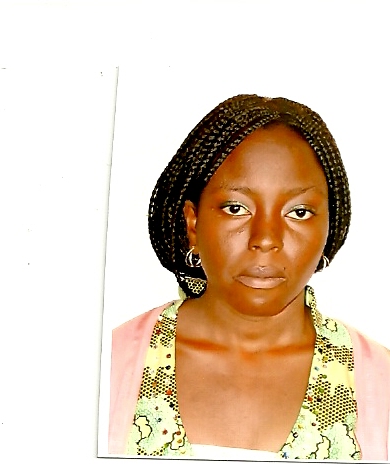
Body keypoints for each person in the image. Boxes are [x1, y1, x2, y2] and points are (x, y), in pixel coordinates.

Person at [108, 94, 390, 460]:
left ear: (328, 228)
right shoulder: (111, 362)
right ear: (193, 225)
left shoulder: (379, 381)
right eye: (236, 208)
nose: (266, 239)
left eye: (299, 212)